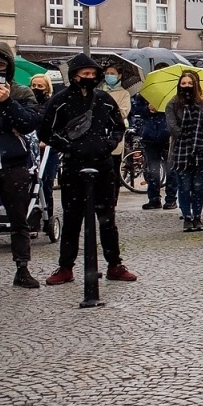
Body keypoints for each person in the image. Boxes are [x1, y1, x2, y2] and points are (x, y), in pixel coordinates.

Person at [39, 54, 135, 285]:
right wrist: (68, 146)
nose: (89, 78)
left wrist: (108, 144)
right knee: (72, 219)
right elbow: (45, 131)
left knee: (107, 220)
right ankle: (65, 267)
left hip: (102, 165)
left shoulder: (103, 99)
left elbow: (118, 127)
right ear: (74, 76)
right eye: (85, 74)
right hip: (73, 166)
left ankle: (114, 264)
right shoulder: (60, 101)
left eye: (93, 75)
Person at [0, 41, 41, 289]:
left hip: (15, 165)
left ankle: (22, 269)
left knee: (19, 220)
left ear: (8, 67)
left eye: (0, 65)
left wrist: (7, 103)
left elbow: (29, 122)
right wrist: (2, 123)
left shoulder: (21, 92)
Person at [165, 69, 203, 233]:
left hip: (200, 150)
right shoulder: (173, 104)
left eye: (190, 83)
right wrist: (185, 137)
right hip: (181, 150)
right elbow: (172, 127)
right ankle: (187, 217)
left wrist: (199, 136)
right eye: (183, 83)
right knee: (184, 187)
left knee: (198, 186)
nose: (186, 86)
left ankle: (197, 216)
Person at [130, 86, 170, 212]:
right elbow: (136, 109)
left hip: (167, 135)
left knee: (170, 169)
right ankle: (154, 198)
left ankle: (171, 199)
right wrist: (148, 109)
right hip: (149, 135)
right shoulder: (145, 93)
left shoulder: (172, 95)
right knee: (153, 169)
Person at [29, 72, 61, 222]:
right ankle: (32, 217)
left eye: (40, 86)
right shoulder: (28, 103)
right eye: (34, 85)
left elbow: (57, 126)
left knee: (46, 183)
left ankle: (48, 216)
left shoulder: (53, 104)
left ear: (47, 88)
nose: (36, 88)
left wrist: (47, 140)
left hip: (48, 150)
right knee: (31, 185)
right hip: (30, 149)